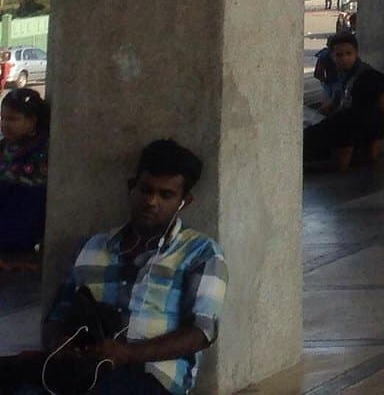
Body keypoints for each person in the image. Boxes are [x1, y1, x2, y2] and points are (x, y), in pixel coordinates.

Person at [0, 137, 224, 395]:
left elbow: (201, 333)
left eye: (166, 195)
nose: (152, 202)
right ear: (132, 187)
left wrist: (127, 353)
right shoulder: (92, 247)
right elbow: (58, 314)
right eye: (145, 190)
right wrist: (59, 342)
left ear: (185, 201)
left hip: (152, 377)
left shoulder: (201, 253)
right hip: (84, 366)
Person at [301, 30, 384, 172]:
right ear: (332, 56)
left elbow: (358, 112)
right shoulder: (344, 73)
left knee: (308, 139)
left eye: (348, 54)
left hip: (350, 125)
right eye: (339, 55)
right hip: (348, 121)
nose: (344, 59)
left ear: (356, 53)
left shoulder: (366, 76)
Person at [0, 88, 47, 270]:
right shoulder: (5, 147)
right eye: (3, 118)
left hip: (18, 232)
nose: (5, 125)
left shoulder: (41, 153)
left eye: (13, 119)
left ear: (32, 120)